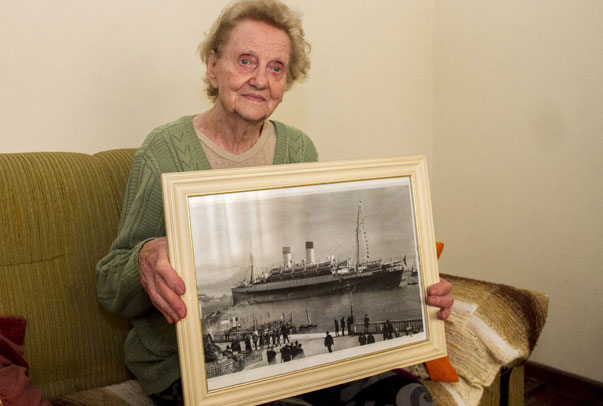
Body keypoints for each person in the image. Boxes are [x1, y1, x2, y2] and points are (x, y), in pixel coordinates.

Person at [96, 1, 454, 404]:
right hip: (184, 363)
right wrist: (144, 256)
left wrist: (425, 297)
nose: (260, 80)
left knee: (408, 396)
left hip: (302, 361)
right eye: (245, 61)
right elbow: (109, 287)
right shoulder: (164, 151)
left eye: (276, 68)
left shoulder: (299, 150)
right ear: (213, 66)